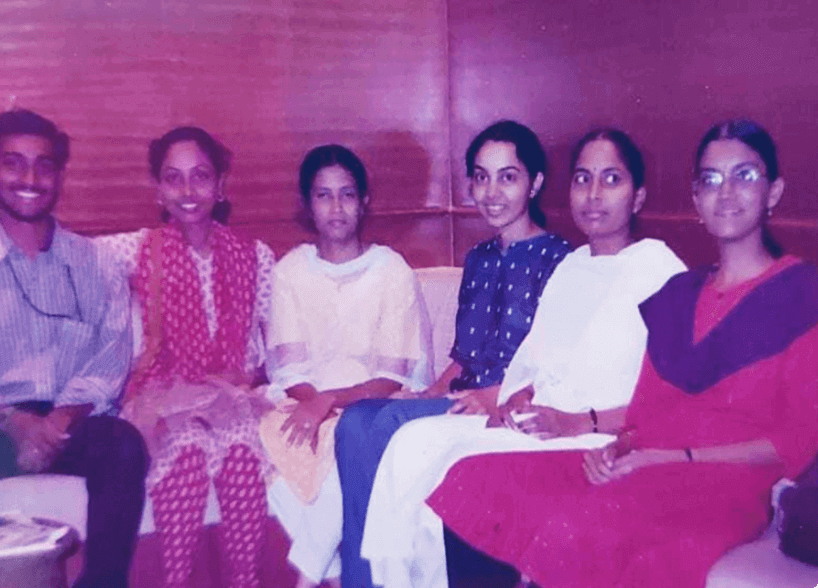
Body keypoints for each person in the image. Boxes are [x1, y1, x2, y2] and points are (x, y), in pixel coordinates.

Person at [428, 119, 818, 588]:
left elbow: (794, 443)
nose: (727, 192)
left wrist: (673, 458)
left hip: (724, 482)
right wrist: (619, 448)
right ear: (696, 198)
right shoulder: (679, 293)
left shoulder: (802, 293)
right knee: (475, 482)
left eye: (745, 176)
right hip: (648, 462)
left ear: (774, 192)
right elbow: (646, 413)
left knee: (580, 526)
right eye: (711, 179)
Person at [359, 128, 686, 588]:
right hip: (540, 425)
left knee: (465, 477)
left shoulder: (660, 270)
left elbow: (673, 401)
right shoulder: (572, 266)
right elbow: (533, 361)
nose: (594, 194)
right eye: (583, 179)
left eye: (611, 179)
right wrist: (519, 396)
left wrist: (576, 422)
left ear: (638, 196)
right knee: (410, 446)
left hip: (596, 437)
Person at [335, 120, 572, 588]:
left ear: (535, 183)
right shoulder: (479, 258)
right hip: (460, 399)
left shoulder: (560, 260)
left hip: (505, 407)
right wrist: (426, 393)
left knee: (382, 423)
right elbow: (464, 357)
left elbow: (558, 362)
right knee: (356, 420)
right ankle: (365, 579)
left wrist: (492, 395)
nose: (491, 192)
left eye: (508, 177)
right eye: (481, 177)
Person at [94, 126, 275, 588]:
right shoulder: (138, 249)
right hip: (165, 398)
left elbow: (275, 344)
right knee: (186, 457)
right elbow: (72, 256)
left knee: (241, 458)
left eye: (201, 176)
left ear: (221, 185)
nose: (188, 191)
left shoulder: (254, 255)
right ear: (158, 190)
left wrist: (253, 377)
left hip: (230, 395)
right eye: (174, 178)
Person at [0, 109, 148, 588]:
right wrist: (15, 423)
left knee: (122, 445)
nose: (29, 179)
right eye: (14, 163)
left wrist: (57, 422)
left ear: (59, 175)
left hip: (70, 421)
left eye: (44, 165)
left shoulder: (96, 263)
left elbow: (110, 358)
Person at [258, 144, 432, 588]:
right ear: (307, 205)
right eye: (323, 195)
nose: (336, 207)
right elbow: (290, 371)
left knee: (348, 441)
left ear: (364, 201)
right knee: (266, 449)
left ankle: (309, 577)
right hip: (305, 401)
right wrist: (314, 405)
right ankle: (335, 575)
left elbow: (392, 377)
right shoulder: (290, 271)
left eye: (347, 194)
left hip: (378, 405)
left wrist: (328, 404)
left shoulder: (391, 270)